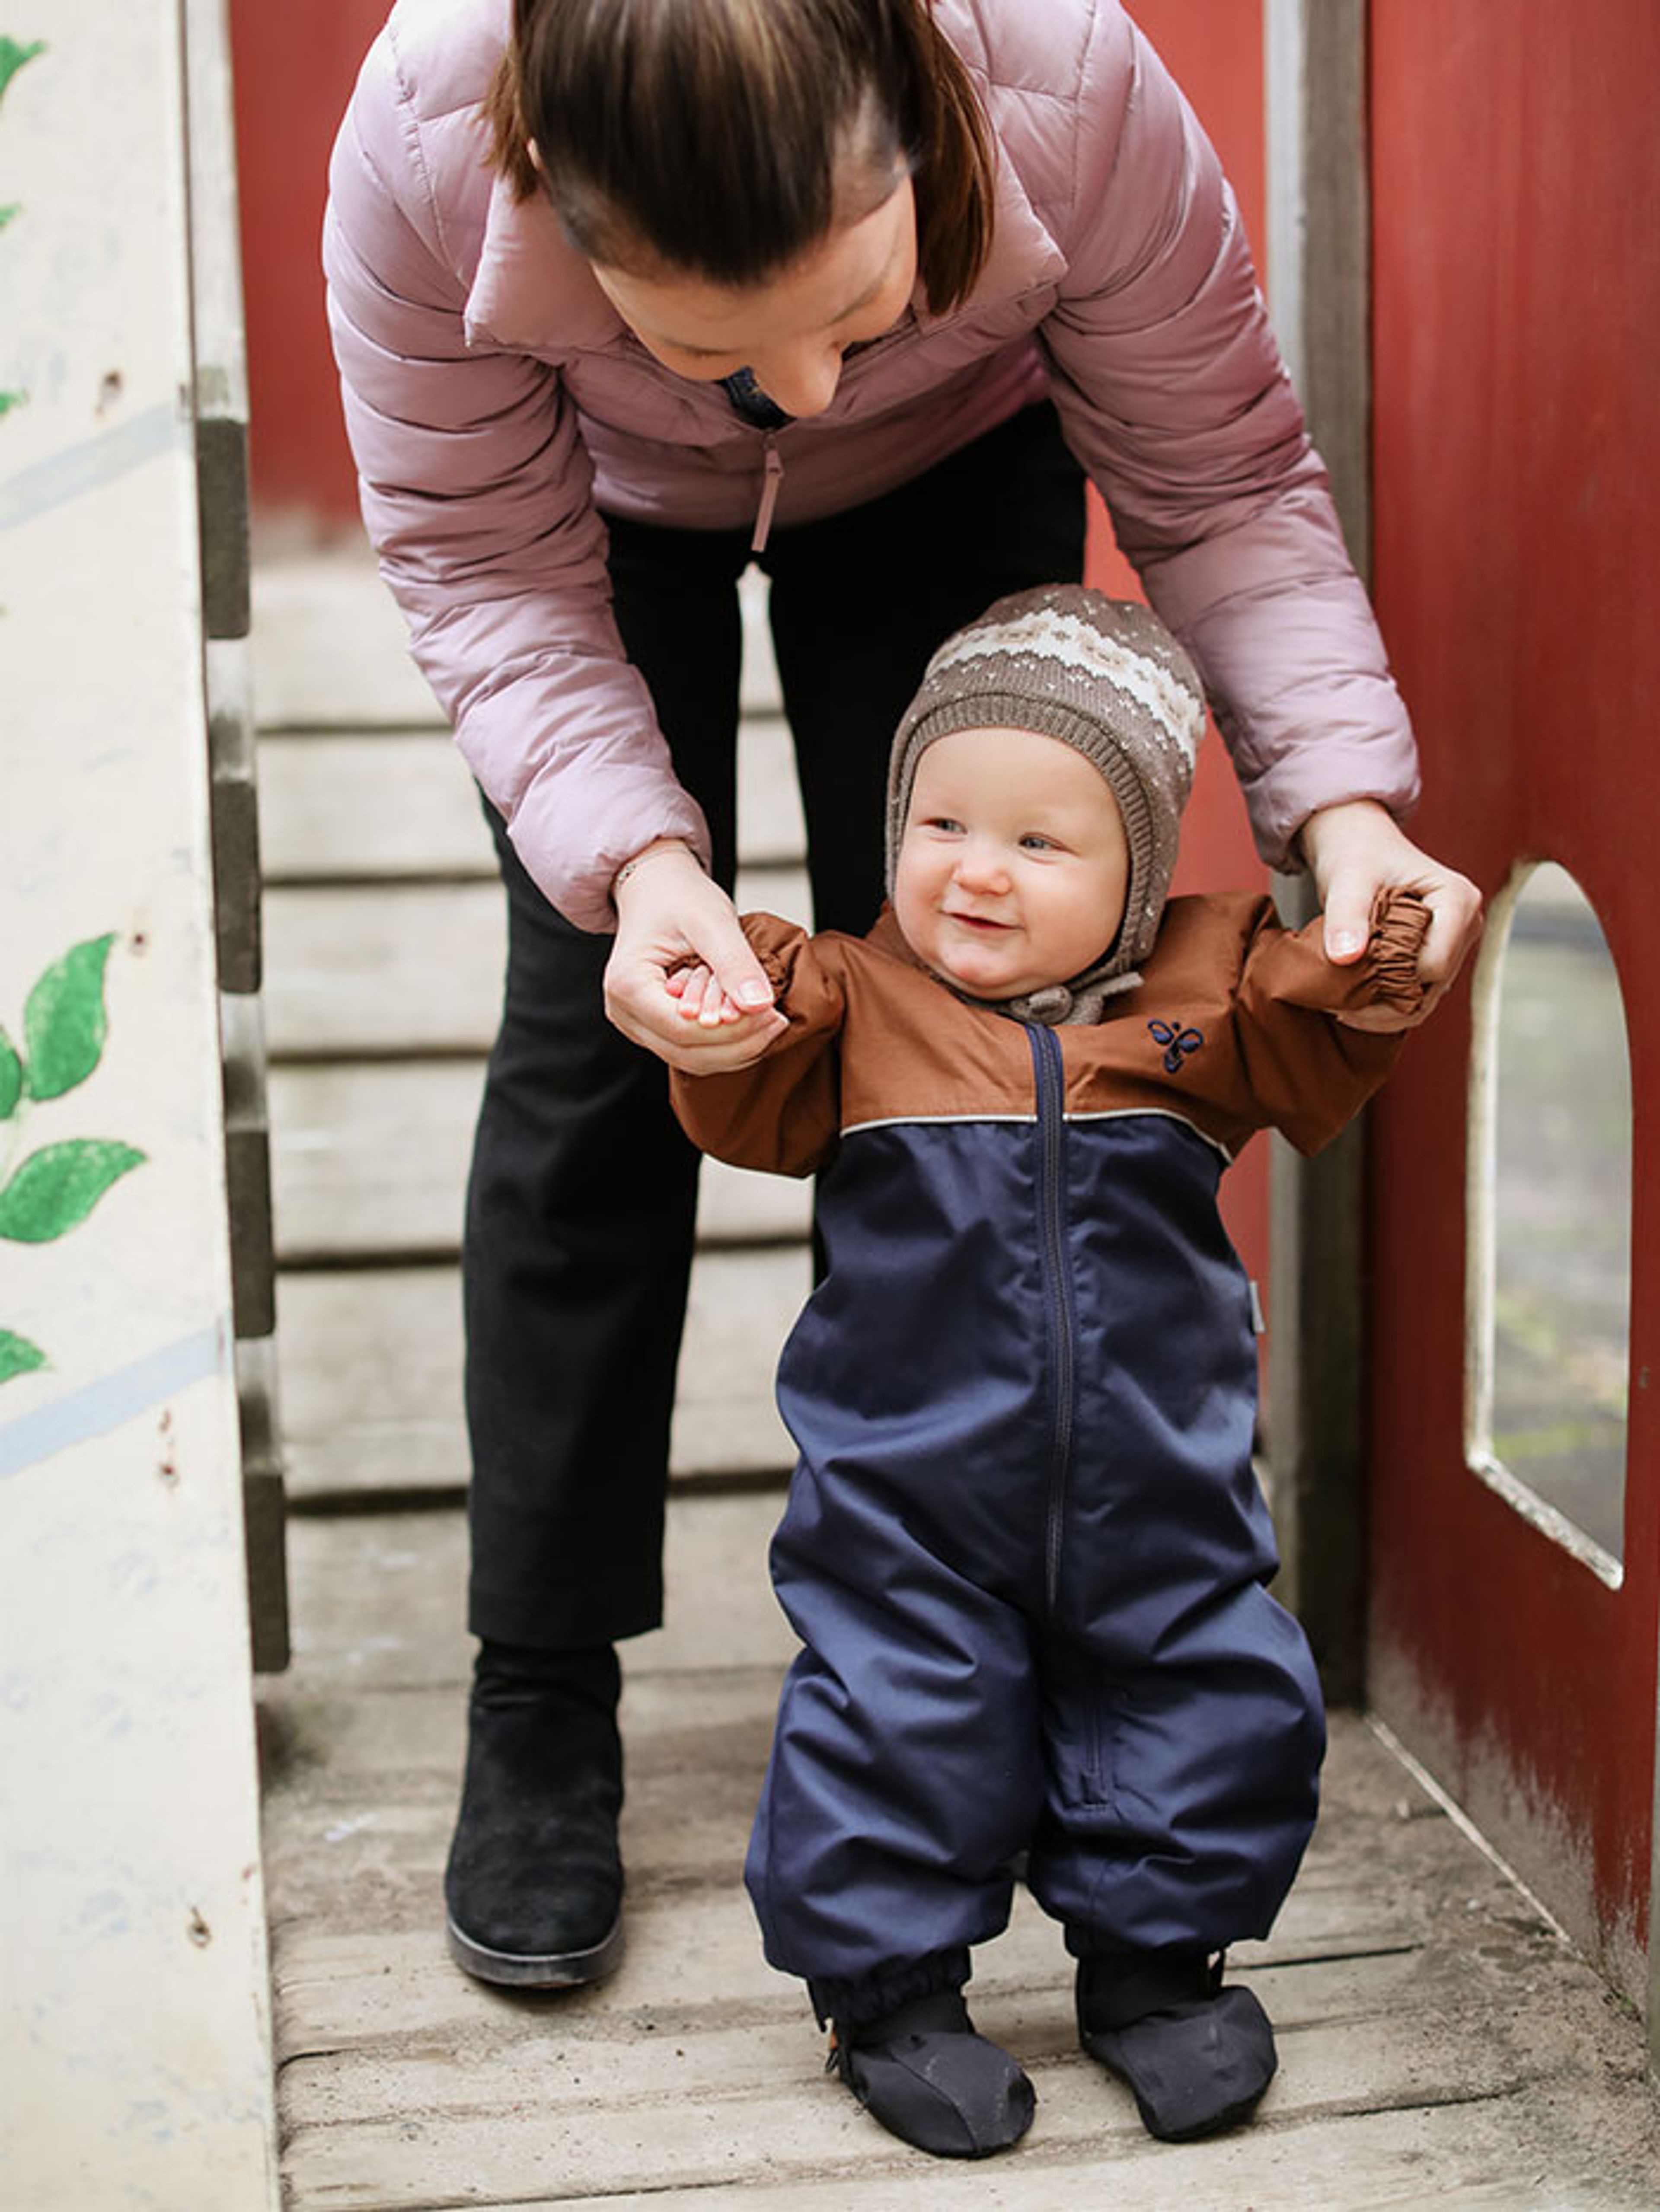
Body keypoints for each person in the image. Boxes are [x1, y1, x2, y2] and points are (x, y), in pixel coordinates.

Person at [322, 0, 1481, 1992]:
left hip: (954, 470)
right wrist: (648, 877)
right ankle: (541, 1677)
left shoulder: (1064, 80)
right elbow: (484, 573)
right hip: (589, 522)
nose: (794, 386)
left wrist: (1347, 816)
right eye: (715, 334)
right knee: (593, 1061)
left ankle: (997, 1647)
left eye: (854, 295)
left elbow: (1219, 484)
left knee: (977, 1040)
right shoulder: (428, 146)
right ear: (549, 205)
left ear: (933, 123)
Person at [667, 585, 1432, 2158]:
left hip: (1159, 1476)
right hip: (910, 1492)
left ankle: (1157, 1968)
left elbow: (1331, 1035)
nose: (976, 870)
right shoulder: (854, 1001)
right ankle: (884, 1995)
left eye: (1041, 840)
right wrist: (713, 1016)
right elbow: (743, 1106)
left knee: (1199, 1691)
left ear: (1144, 879)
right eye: (942, 820)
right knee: (898, 1707)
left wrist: (1373, 952)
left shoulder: (1208, 995)